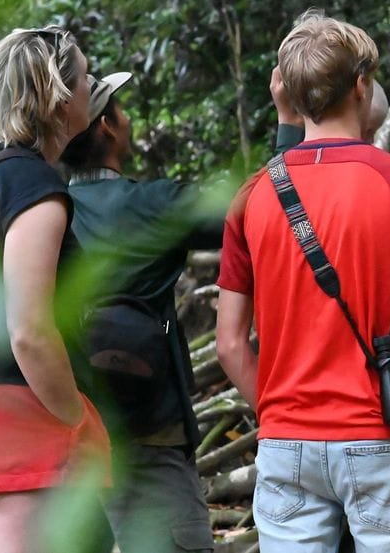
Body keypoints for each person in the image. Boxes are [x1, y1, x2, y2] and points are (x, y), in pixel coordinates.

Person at [216, 12, 390, 552]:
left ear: (295, 99)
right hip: (383, 434)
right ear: (362, 85)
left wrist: (280, 416)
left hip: (287, 447)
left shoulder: (251, 196)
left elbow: (230, 344)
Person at [58, 66, 307, 553]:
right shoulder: (153, 205)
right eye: (120, 110)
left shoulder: (45, 212)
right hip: (152, 429)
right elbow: (267, 208)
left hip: (72, 429)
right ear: (108, 126)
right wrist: (287, 123)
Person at [0, 26, 111, 553]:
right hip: (16, 405)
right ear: (56, 95)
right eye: (84, 75)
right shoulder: (34, 187)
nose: (92, 84)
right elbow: (29, 328)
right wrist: (76, 421)